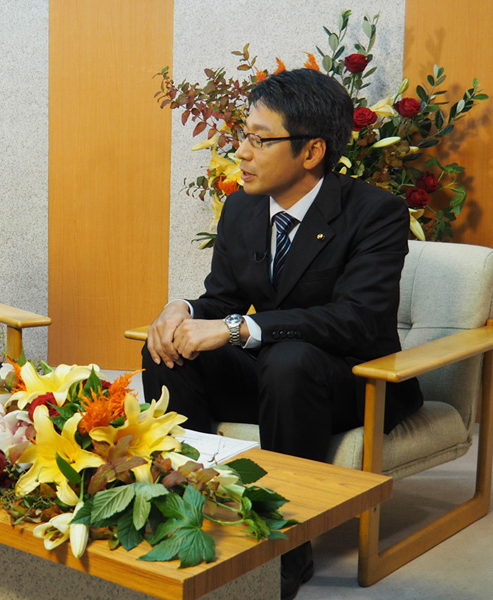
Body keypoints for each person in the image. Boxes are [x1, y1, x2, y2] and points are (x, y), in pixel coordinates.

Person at [141, 68, 423, 600]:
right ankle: (185, 510)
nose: (241, 153)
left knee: (288, 359)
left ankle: (288, 550)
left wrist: (236, 328)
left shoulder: (375, 213)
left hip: (353, 381)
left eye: (258, 139)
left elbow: (357, 319)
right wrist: (180, 309)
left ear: (312, 151)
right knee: (166, 351)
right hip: (274, 372)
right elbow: (222, 298)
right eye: (242, 137)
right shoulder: (245, 206)